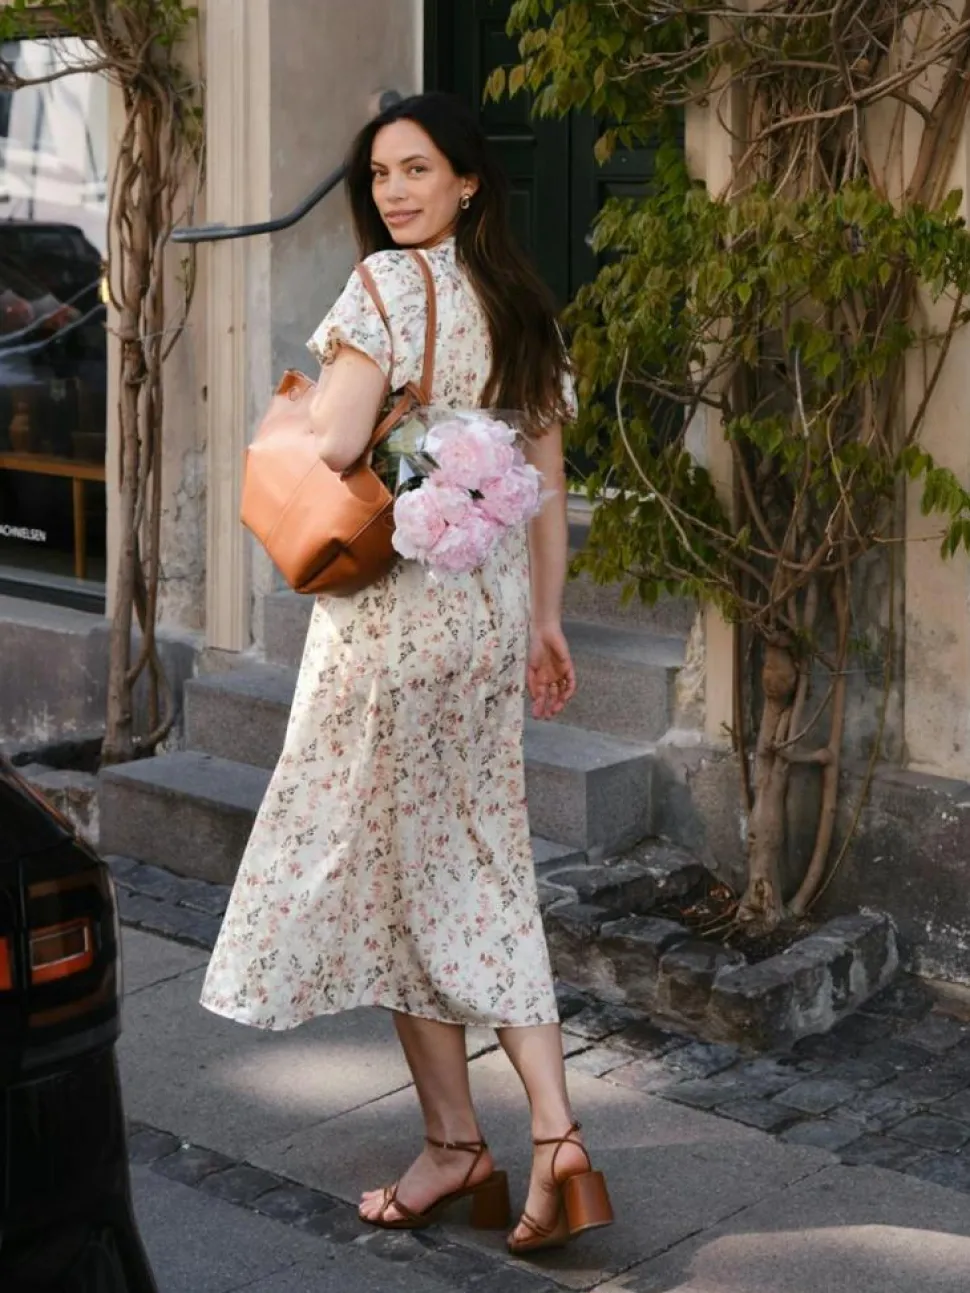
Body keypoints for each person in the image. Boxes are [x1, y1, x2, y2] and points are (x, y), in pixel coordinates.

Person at [200, 91, 613, 1257]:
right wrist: (547, 621)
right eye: (380, 174)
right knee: (476, 863)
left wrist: (331, 406)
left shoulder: (384, 286)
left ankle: (478, 1139)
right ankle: (528, 1137)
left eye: (416, 169)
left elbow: (334, 444)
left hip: (392, 626)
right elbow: (546, 476)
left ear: (467, 180)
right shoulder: (521, 301)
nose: (392, 192)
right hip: (485, 618)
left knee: (397, 873)